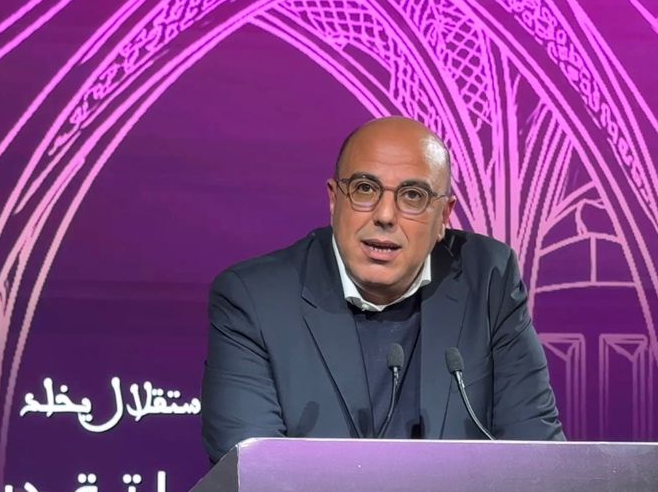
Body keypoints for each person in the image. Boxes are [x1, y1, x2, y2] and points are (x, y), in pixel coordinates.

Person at [202, 116, 564, 462]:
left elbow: (539, 459)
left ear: (444, 216)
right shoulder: (256, 300)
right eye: (365, 189)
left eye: (413, 196)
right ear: (334, 199)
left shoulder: (487, 279)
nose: (385, 215)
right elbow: (253, 474)